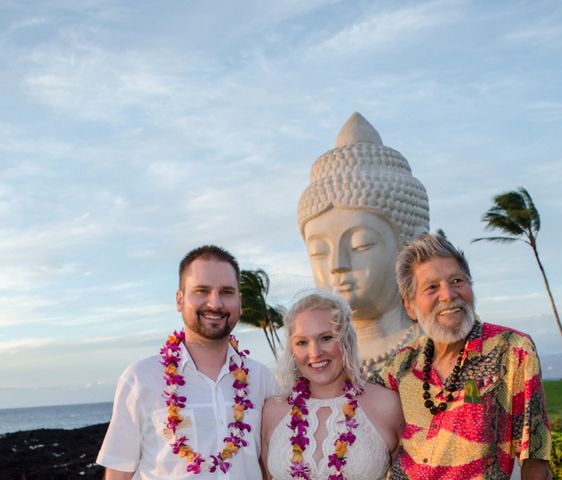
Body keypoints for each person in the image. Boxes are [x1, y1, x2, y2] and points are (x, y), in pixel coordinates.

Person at [379, 234, 552, 480]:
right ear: (410, 307)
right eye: (432, 287)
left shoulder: (512, 351)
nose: (448, 294)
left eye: (457, 280)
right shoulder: (400, 365)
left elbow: (534, 457)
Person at [97, 245, 277, 479]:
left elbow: (270, 468)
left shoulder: (262, 379)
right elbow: (119, 473)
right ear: (180, 300)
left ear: (240, 302)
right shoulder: (140, 378)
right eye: (202, 290)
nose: (215, 303)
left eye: (227, 292)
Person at [298, 112, 430, 376]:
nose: (337, 265)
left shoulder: (441, 349)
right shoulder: (309, 364)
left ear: (413, 246)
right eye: (319, 252)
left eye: (361, 245)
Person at [261, 291, 404, 480]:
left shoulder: (388, 404)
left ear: (346, 340)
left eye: (326, 338)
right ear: (292, 350)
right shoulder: (272, 410)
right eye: (302, 342)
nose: (315, 353)